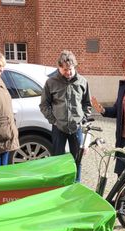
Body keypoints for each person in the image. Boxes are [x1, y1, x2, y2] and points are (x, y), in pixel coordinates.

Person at [39, 50, 91, 181]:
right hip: (58, 128)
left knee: (77, 159)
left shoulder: (82, 81)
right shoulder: (51, 82)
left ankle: (76, 184)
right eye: (65, 70)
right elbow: (44, 105)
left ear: (75, 66)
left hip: (76, 128)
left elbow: (87, 104)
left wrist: (83, 118)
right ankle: (60, 184)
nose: (68, 72)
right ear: (59, 67)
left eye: (70, 69)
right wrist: (54, 121)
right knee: (58, 159)